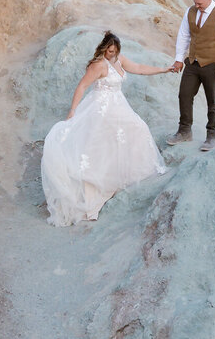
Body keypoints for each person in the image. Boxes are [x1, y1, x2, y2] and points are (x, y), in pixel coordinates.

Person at [41, 32, 176, 226]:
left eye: (114, 51)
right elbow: (82, 86)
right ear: (104, 48)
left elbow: (138, 68)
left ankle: (128, 175)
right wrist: (72, 110)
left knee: (138, 129)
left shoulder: (119, 60)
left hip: (118, 105)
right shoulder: (98, 65)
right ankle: (93, 188)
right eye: (108, 50)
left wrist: (164, 69)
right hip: (100, 108)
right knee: (100, 145)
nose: (111, 54)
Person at [168, 0, 215, 153]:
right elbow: (183, 35)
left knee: (213, 101)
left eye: (200, 3)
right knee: (184, 94)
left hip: (213, 64)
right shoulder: (190, 11)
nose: (197, 6)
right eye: (195, 2)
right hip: (193, 62)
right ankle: (184, 131)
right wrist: (179, 59)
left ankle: (212, 136)